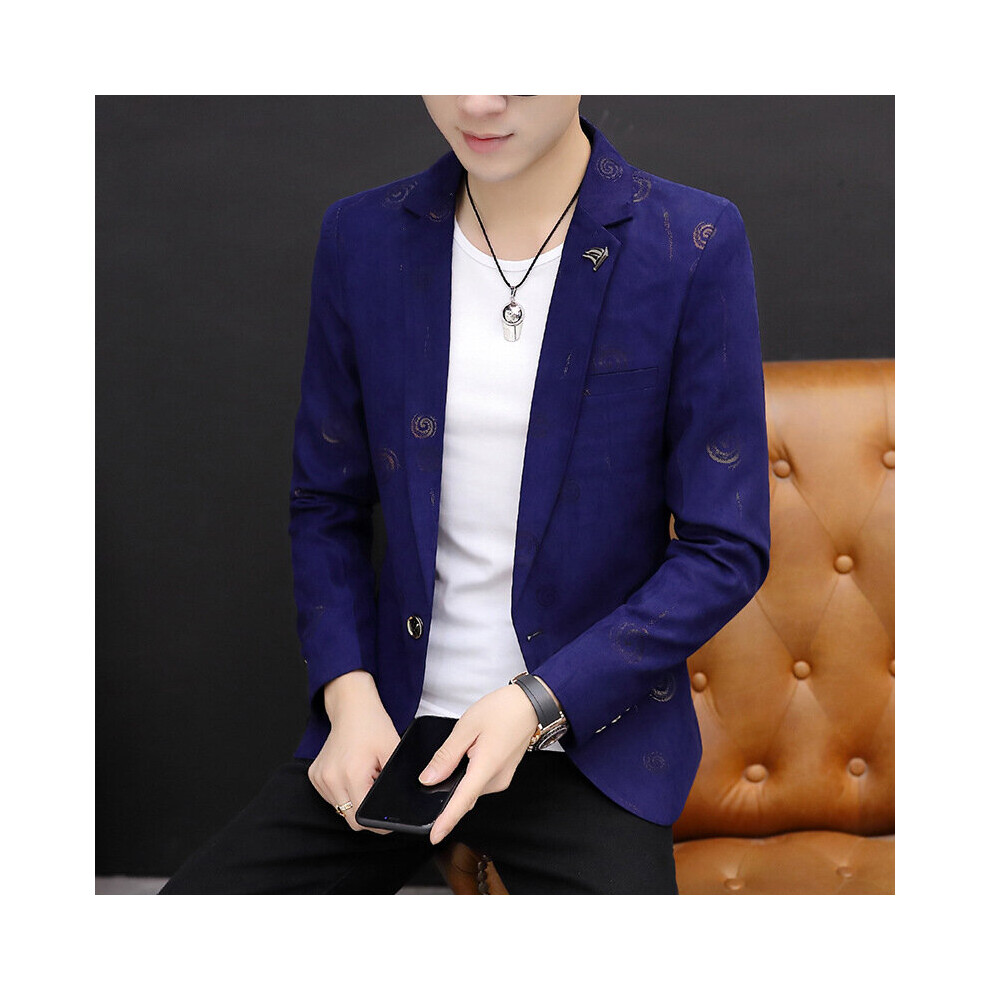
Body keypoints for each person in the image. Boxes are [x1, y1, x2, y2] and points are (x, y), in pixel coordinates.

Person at [160, 95, 770, 895]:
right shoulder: (363, 237)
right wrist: (348, 697)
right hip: (388, 730)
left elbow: (726, 548)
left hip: (585, 741)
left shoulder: (689, 240)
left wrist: (537, 703)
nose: (478, 100)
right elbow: (326, 502)